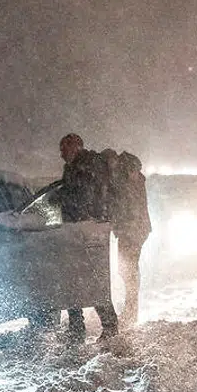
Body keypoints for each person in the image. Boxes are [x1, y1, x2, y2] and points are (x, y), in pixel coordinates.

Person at [57, 133, 120, 339]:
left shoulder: (87, 166)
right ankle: (77, 327)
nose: (61, 154)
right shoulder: (74, 168)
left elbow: (85, 197)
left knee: (91, 280)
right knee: (73, 280)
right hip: (76, 231)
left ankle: (109, 326)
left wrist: (85, 218)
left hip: (87, 231)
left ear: (76, 147)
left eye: (64, 149)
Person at [110, 151, 152, 327]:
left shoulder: (126, 177)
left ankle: (131, 312)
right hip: (134, 229)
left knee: (129, 271)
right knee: (128, 270)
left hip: (132, 230)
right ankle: (130, 310)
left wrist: (120, 223)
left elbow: (128, 205)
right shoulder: (132, 175)